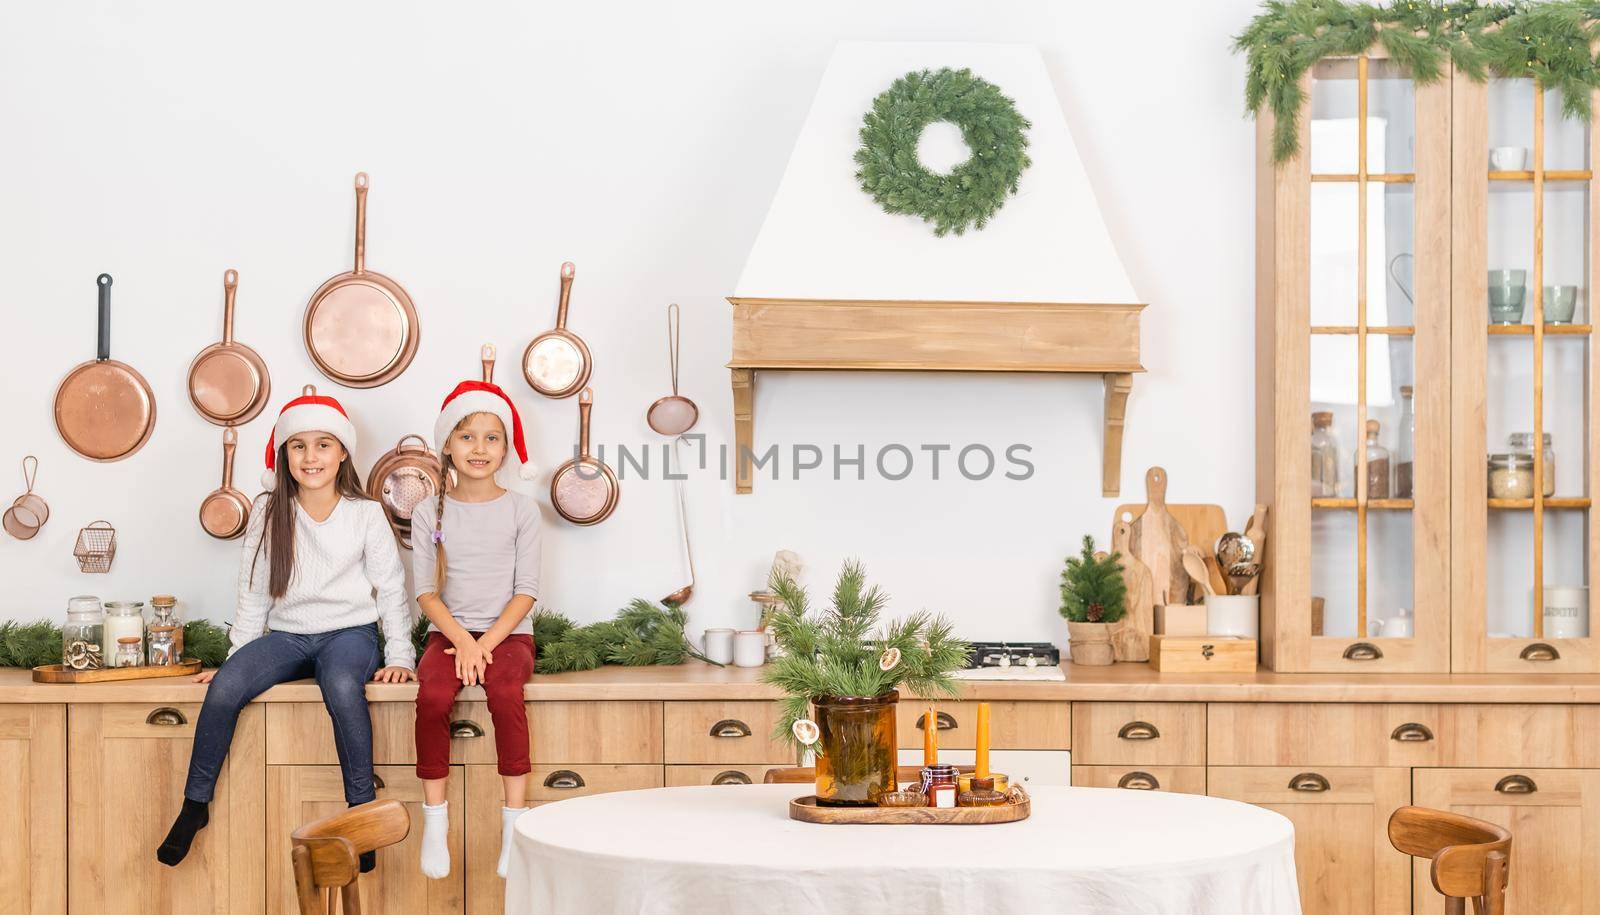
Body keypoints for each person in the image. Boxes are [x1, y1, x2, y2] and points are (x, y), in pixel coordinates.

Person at [157, 389, 416, 870]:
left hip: (350, 635)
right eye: (298, 446)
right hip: (288, 636)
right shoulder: (268, 510)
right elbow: (253, 591)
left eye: (323, 444)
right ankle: (195, 805)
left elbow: (392, 590)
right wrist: (238, 656)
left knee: (341, 685)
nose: (310, 456)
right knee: (227, 686)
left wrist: (400, 655)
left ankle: (361, 811)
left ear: (342, 453)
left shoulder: (364, 514)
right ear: (283, 455)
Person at [410, 377, 542, 879]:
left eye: (491, 437)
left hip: (509, 636)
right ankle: (435, 820)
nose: (479, 448)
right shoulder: (429, 512)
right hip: (449, 635)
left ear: (506, 447)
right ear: (447, 444)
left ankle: (514, 824)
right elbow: (426, 592)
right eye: (467, 437)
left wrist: (485, 643)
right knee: (433, 698)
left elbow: (526, 590)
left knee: (506, 691)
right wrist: (461, 640)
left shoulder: (521, 509)